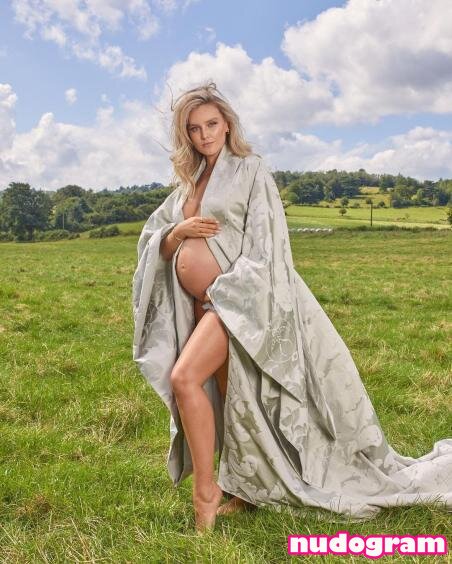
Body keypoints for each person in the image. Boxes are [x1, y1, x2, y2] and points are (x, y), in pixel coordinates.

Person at [132, 82, 452, 534]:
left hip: (243, 302)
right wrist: (178, 233)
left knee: (185, 379)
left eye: (212, 124)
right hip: (202, 307)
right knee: (234, 400)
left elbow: (268, 245)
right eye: (194, 129)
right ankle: (244, 489)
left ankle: (206, 496)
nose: (205, 135)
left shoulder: (250, 169)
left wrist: (229, 295)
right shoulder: (190, 181)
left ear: (228, 125)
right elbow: (157, 243)